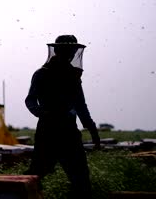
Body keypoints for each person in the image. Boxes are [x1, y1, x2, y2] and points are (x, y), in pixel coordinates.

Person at [24, 35, 100, 198]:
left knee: (81, 179)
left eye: (71, 51)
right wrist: (42, 113)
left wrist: (92, 129)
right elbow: (30, 100)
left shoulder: (73, 76)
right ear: (57, 51)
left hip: (69, 131)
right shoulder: (41, 74)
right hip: (47, 130)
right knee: (36, 175)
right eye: (66, 51)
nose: (70, 55)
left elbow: (80, 105)